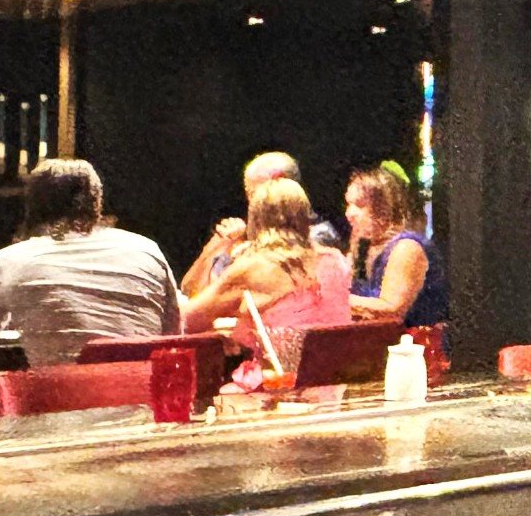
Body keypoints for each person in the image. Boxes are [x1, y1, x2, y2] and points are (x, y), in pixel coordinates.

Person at [0, 159, 178, 366]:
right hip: (143, 395)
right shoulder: (147, 249)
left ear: (33, 205)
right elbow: (173, 334)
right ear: (96, 201)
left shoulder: (11, 259)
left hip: (62, 397)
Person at [181, 178, 351, 384]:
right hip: (339, 383)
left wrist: (218, 247)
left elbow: (185, 321)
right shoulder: (336, 261)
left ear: (256, 218)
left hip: (279, 389)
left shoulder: (255, 267)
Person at [180, 150, 340, 297]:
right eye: (249, 195)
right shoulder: (243, 241)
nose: (252, 204)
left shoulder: (319, 238)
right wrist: (216, 246)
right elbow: (190, 291)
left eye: (254, 193)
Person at [346, 161, 448, 326]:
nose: (349, 213)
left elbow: (392, 310)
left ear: (384, 209)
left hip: (416, 346)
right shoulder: (363, 247)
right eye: (348, 204)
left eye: (359, 205)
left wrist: (335, 301)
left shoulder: (407, 247)